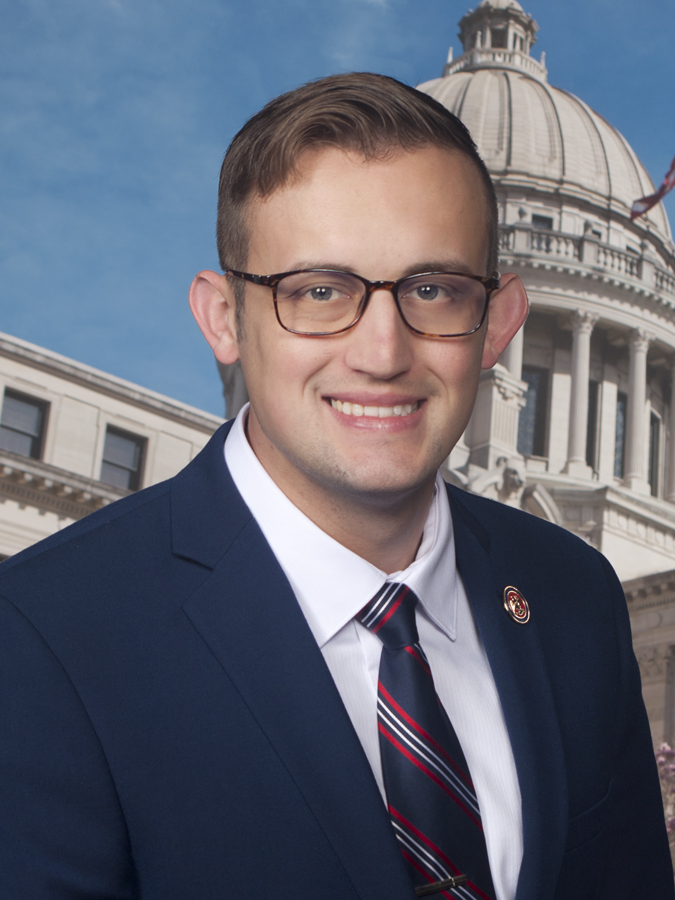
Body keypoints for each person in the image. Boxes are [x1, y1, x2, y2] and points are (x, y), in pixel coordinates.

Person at [0, 73, 671, 900]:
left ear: (497, 324)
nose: (381, 352)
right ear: (222, 319)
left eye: (432, 290)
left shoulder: (573, 598)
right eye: (318, 292)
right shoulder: (40, 633)